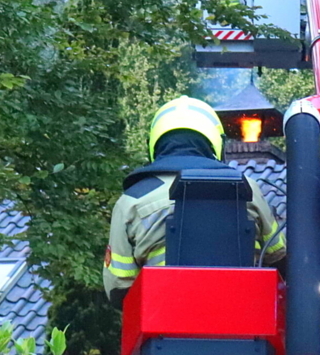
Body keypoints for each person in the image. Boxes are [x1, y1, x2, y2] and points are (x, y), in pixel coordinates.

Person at [103, 96, 286, 308]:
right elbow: (278, 257)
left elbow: (118, 289)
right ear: (215, 141)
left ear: (154, 142)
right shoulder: (248, 190)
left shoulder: (131, 201)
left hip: (162, 324)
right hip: (242, 320)